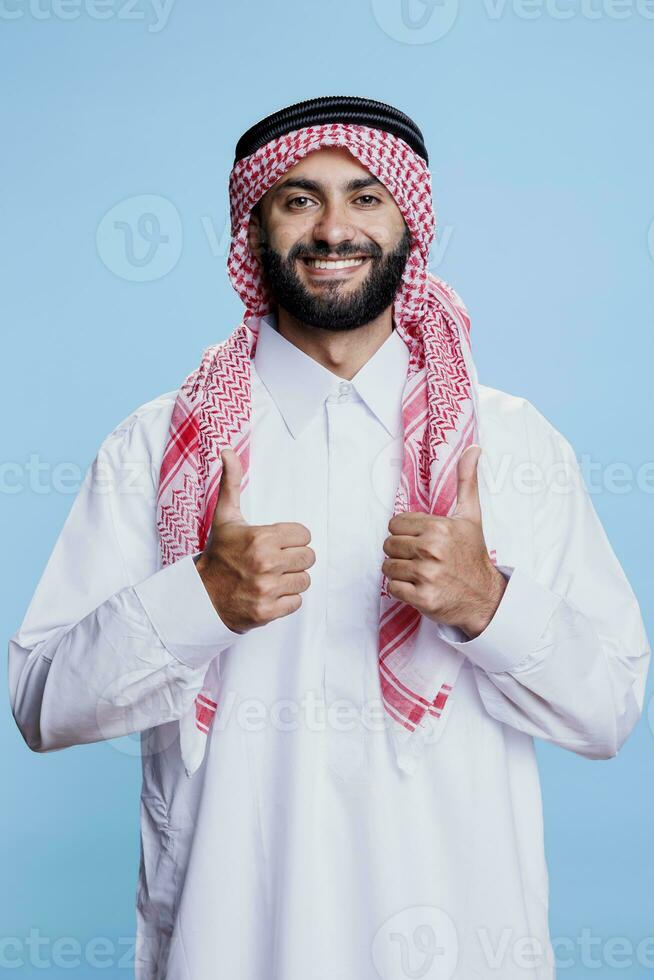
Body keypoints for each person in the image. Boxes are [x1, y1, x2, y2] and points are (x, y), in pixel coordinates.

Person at [8, 95, 650, 980]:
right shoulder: (161, 445)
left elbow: (610, 708)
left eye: (366, 197)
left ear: (409, 225)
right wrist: (193, 600)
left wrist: (490, 605)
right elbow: (40, 703)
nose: (334, 228)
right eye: (299, 199)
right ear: (255, 228)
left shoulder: (511, 445)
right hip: (231, 945)